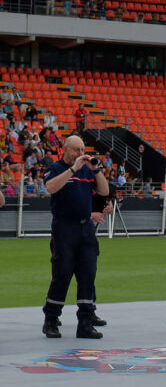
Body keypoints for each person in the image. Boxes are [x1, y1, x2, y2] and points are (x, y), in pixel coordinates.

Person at [41, 135, 109, 339]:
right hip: (64, 228)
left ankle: (85, 323)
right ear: (65, 149)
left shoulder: (88, 170)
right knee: (62, 274)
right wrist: (73, 169)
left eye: (82, 150)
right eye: (76, 150)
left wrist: (96, 169)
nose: (81, 154)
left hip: (85, 228)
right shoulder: (55, 168)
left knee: (88, 275)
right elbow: (50, 188)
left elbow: (104, 191)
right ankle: (51, 320)